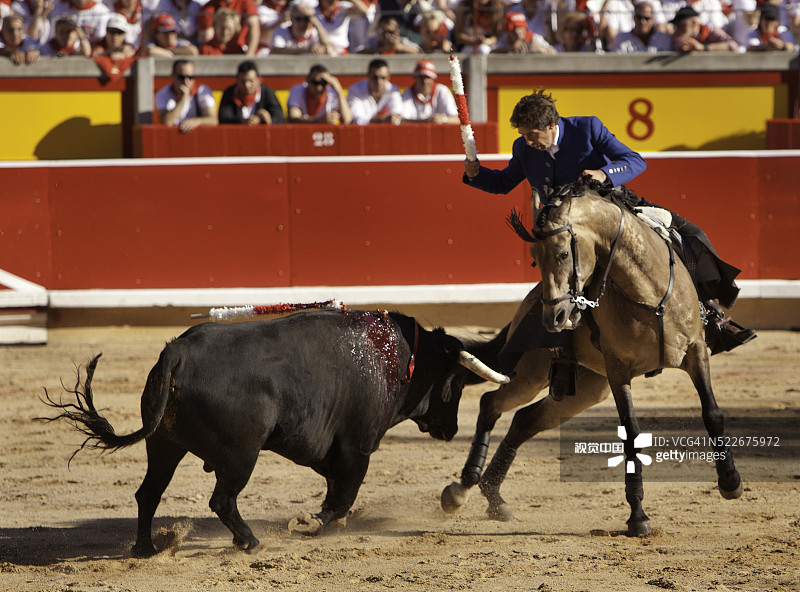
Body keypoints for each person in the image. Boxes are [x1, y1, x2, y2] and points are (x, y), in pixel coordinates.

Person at [462, 90, 755, 380]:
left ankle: (711, 315)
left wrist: (605, 173)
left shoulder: (588, 128)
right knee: (556, 288)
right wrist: (477, 175)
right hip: (567, 235)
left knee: (687, 234)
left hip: (614, 216)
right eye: (524, 135)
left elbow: (634, 160)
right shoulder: (524, 148)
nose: (528, 141)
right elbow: (503, 182)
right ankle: (562, 356)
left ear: (552, 126)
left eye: (533, 134)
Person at [155, 58, 217, 133]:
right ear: (172, 76)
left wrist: (196, 121)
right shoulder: (163, 93)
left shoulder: (202, 90)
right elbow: (166, 122)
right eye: (181, 77)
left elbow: (213, 120)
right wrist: (183, 98)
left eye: (190, 77)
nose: (186, 81)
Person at [218, 60, 285, 125]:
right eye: (243, 81)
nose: (247, 85)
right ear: (237, 80)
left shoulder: (267, 92)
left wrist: (266, 119)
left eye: (251, 81)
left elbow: (280, 118)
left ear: (258, 80)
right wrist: (243, 121)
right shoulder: (229, 93)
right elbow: (224, 119)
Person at [287, 63, 352, 124]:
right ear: (307, 80)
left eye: (323, 83)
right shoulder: (297, 91)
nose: (319, 87)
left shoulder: (333, 93)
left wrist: (339, 91)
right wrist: (319, 120)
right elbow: (293, 119)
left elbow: (347, 120)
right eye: (315, 82)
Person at [401, 58, 458, 124]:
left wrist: (443, 119)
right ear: (415, 78)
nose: (424, 81)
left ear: (433, 78)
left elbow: (457, 119)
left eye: (427, 77)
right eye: (421, 77)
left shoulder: (442, 91)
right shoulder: (408, 93)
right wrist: (425, 122)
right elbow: (400, 120)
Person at [347, 57, 402, 125]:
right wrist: (381, 120)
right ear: (368, 76)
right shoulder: (355, 89)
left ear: (388, 77)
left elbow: (397, 116)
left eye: (383, 78)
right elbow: (356, 119)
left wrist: (389, 119)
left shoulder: (393, 90)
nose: (379, 81)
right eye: (375, 77)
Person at [269, 0, 336, 54]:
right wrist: (306, 50)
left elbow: (329, 49)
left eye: (306, 18)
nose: (302, 22)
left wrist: (317, 24)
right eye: (298, 18)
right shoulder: (281, 30)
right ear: (291, 18)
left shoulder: (314, 32)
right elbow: (276, 51)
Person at [671, 5, 738, 52]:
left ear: (694, 23)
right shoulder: (678, 36)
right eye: (677, 26)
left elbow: (733, 45)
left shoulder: (710, 31)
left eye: (682, 25)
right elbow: (681, 45)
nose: (678, 29)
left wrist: (703, 47)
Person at [491, 10, 555, 53]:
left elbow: (554, 52)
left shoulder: (534, 38)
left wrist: (542, 50)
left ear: (525, 28)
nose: (518, 31)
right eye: (514, 28)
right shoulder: (505, 39)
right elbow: (490, 53)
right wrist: (510, 48)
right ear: (508, 31)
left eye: (521, 28)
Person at [355, 13, 420, 53]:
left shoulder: (401, 41)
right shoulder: (373, 41)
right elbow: (357, 51)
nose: (387, 35)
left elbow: (419, 51)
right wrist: (381, 49)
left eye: (390, 32)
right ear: (377, 30)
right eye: (383, 32)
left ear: (397, 32)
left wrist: (401, 47)